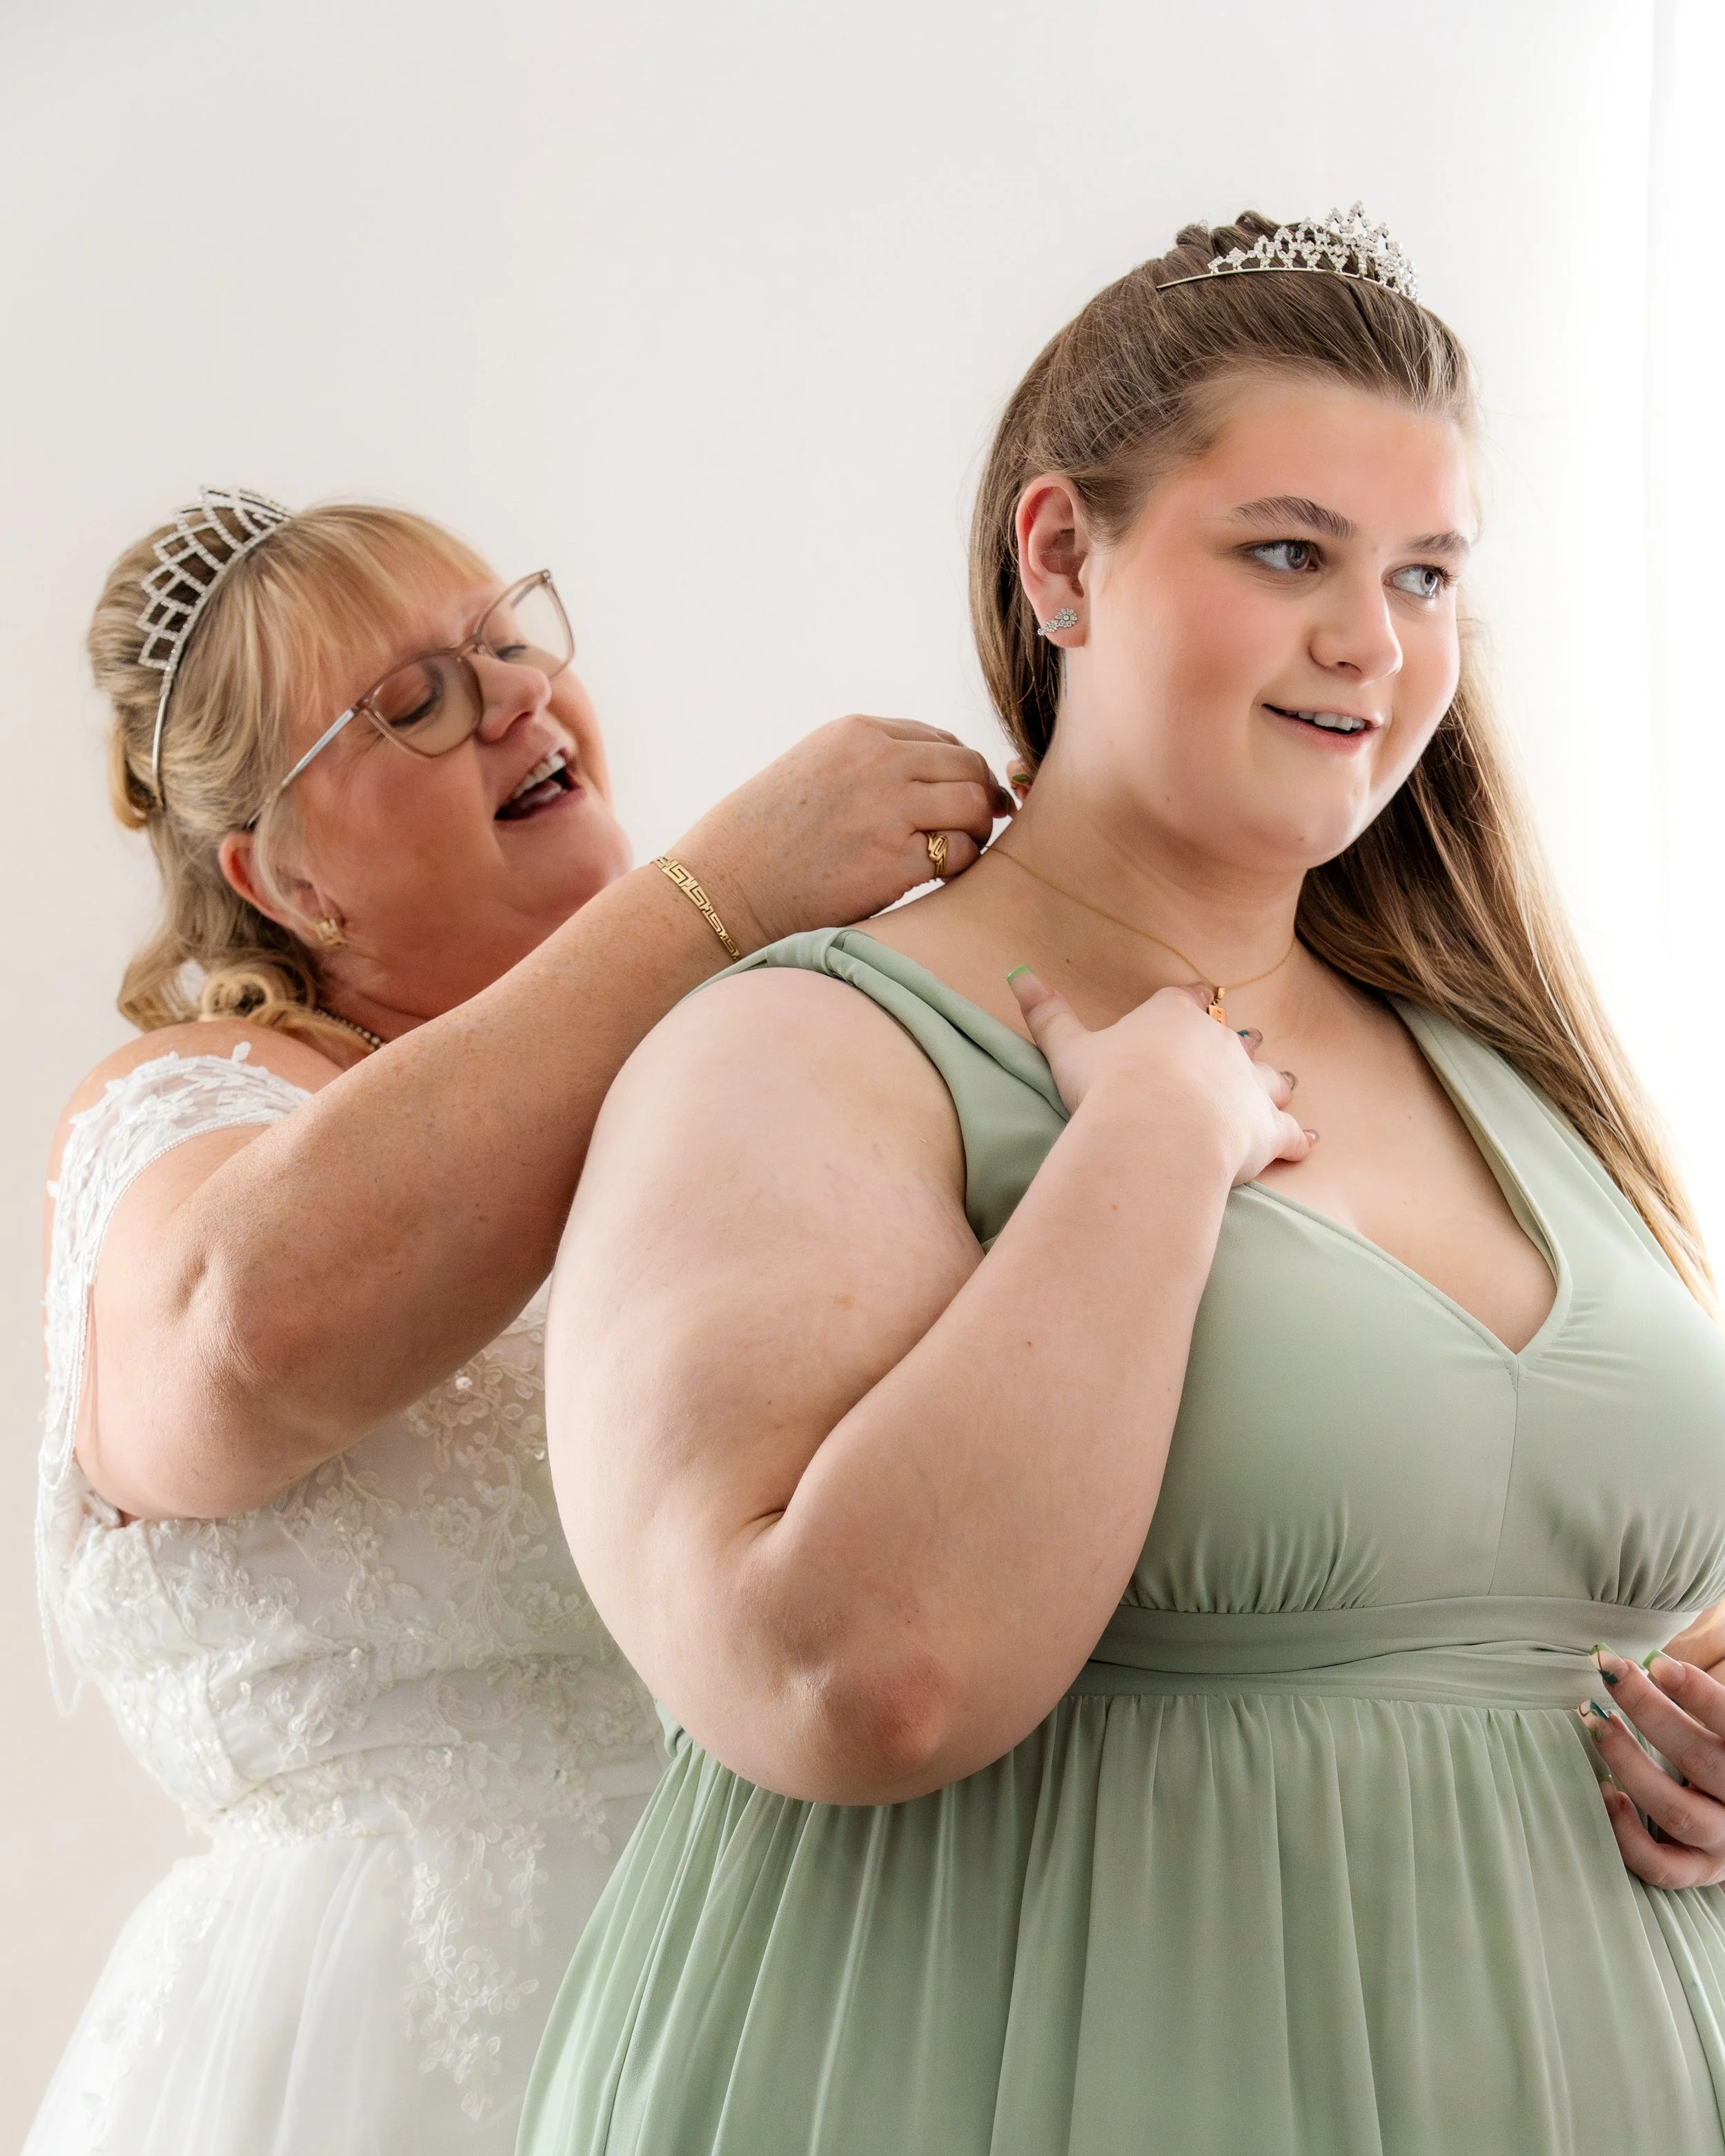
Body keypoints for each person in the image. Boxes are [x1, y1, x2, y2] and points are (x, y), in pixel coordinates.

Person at [524, 210, 1725, 2155]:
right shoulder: (803, 1051)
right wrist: (1152, 1145)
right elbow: (846, 1676)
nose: (1374, 642)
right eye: (1287, 553)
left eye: (1425, 574)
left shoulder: (1505, 1064)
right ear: (1063, 556)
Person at [26, 488, 1009, 2156]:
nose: (513, 699)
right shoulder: (185, 1111)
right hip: (373, 2059)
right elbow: (238, 1340)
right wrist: (719, 887)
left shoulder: (715, 1086)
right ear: (284, 876)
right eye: (410, 700)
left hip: (765, 2012)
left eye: (506, 638)